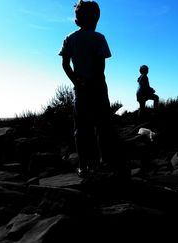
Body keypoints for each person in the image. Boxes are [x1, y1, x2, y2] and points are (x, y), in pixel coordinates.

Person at [59, 0, 126, 178]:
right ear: (96, 19)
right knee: (103, 125)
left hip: (80, 88)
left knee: (81, 127)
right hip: (97, 87)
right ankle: (104, 161)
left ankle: (83, 165)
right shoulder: (99, 38)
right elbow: (100, 65)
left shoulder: (70, 38)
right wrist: (93, 81)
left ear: (77, 20)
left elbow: (65, 64)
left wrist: (76, 81)